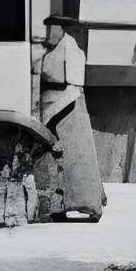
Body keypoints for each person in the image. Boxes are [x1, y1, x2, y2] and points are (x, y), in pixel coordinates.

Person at [33, 15, 105, 221]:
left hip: (68, 111)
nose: (49, 34)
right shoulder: (49, 50)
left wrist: (52, 113)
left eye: (52, 29)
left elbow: (73, 87)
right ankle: (59, 207)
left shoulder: (71, 50)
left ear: (61, 30)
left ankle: (91, 207)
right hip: (51, 109)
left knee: (77, 158)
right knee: (54, 160)